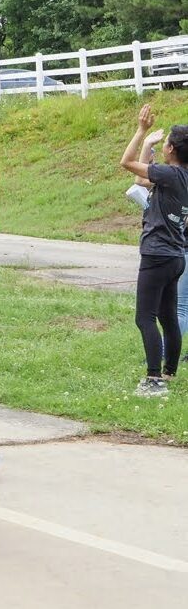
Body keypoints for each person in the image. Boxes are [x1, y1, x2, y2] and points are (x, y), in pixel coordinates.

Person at [120, 104, 188, 395]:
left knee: (144, 317)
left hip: (157, 253)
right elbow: (140, 180)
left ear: (170, 148)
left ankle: (153, 379)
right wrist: (148, 144)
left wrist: (142, 131)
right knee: (169, 317)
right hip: (175, 255)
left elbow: (127, 163)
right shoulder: (179, 176)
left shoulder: (170, 176)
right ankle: (169, 373)